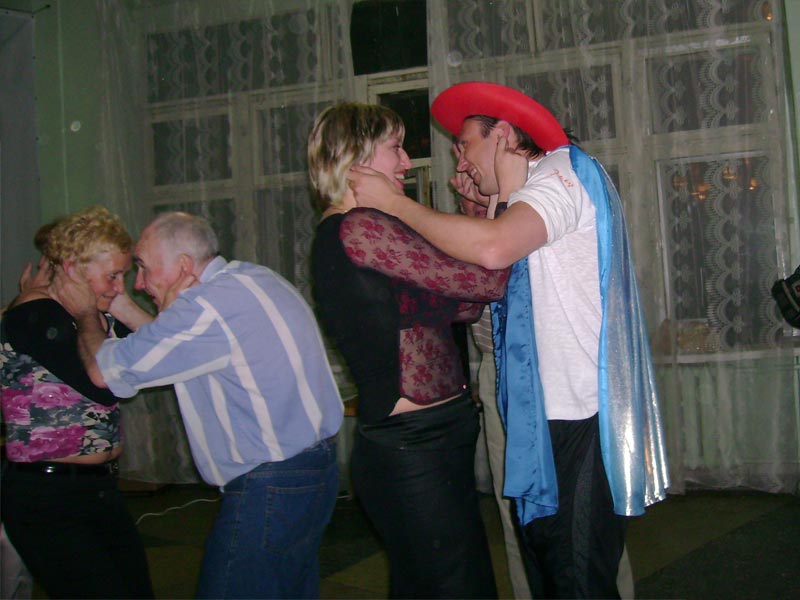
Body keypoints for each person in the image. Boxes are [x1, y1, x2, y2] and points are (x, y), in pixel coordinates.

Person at [349, 82, 670, 599]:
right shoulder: (534, 188)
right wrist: (493, 199)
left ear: (501, 135)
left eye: (465, 145)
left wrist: (395, 204)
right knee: (549, 566)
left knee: (577, 574)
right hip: (543, 412)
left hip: (577, 416)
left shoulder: (560, 175)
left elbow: (495, 250)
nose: (460, 161)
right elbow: (491, 278)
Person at [60, 211, 344, 599]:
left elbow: (103, 372)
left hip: (271, 485)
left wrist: (85, 313)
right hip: (312, 472)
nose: (139, 284)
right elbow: (176, 347)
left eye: (143, 268)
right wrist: (122, 307)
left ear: (182, 266)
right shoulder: (252, 278)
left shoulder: (206, 308)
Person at [307, 101, 509, 599]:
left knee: (437, 585)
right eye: (395, 148)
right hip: (412, 447)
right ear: (354, 157)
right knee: (452, 588)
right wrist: (507, 197)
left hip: (429, 440)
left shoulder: (371, 231)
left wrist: (478, 212)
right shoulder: (360, 228)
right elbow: (487, 281)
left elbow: (463, 303)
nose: (405, 162)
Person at [0, 205, 155, 599]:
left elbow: (165, 354)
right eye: (112, 275)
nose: (120, 286)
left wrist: (121, 307)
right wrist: (89, 313)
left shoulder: (96, 317)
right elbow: (103, 387)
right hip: (46, 497)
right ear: (72, 269)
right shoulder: (34, 314)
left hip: (98, 490)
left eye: (123, 275)